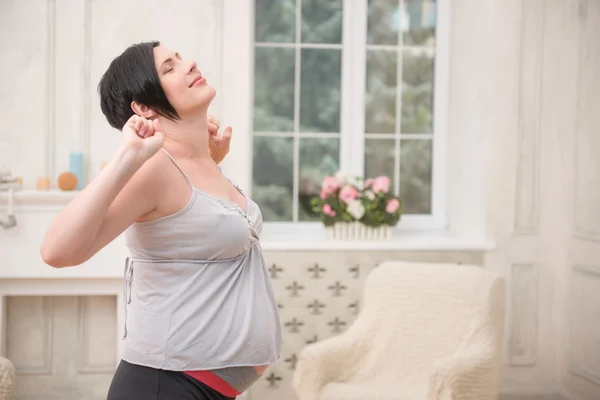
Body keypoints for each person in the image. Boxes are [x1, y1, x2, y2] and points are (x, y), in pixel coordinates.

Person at [40, 41, 282, 400]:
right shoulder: (151, 168)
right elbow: (56, 252)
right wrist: (129, 157)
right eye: (169, 68)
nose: (189, 64)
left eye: (180, 59)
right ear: (145, 106)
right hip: (163, 386)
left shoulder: (203, 164)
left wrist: (210, 160)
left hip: (196, 388)